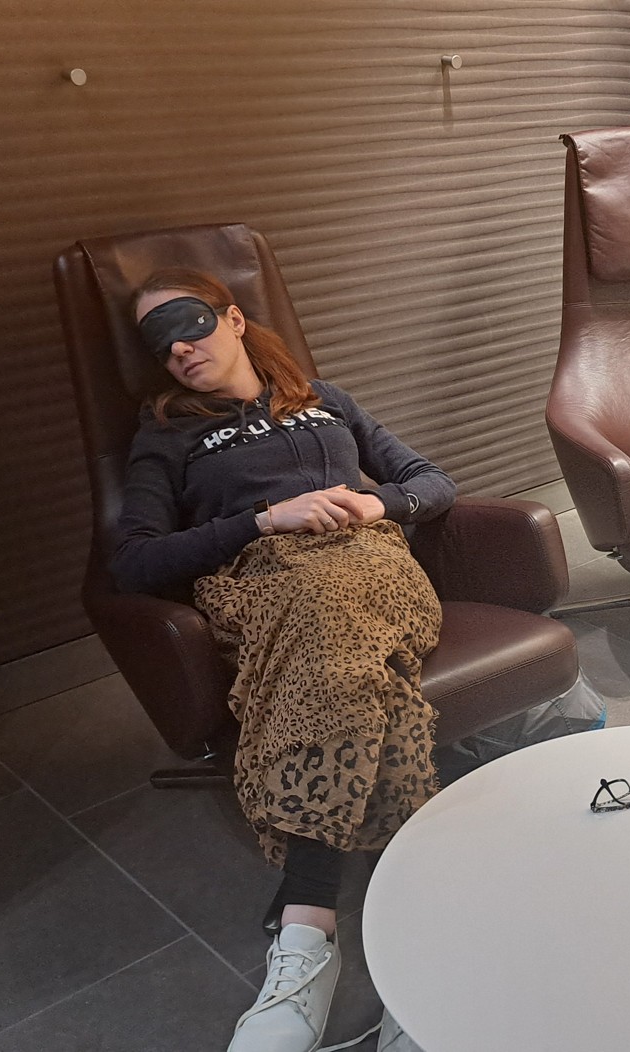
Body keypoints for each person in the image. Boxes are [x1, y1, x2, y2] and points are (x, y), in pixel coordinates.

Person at [115, 268, 455, 1052]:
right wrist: (265, 520)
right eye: (158, 343)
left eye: (187, 323)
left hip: (373, 566)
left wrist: (375, 502)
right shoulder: (166, 435)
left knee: (335, 618)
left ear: (233, 319)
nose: (177, 349)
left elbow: (431, 482)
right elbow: (134, 562)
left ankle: (307, 931)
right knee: (353, 664)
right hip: (260, 585)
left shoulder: (324, 399)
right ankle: (421, 948)